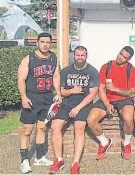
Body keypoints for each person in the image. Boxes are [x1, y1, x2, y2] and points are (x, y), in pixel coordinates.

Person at [49, 46, 99, 174]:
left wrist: (78, 108)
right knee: (55, 126)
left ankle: (76, 163)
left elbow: (92, 94)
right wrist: (71, 91)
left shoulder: (92, 71)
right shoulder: (66, 71)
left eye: (82, 55)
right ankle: (59, 160)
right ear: (74, 56)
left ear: (86, 56)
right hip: (67, 103)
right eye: (78, 55)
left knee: (79, 128)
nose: (80, 58)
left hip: (83, 104)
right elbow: (61, 91)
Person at [17, 32, 61, 174]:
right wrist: (23, 96)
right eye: (42, 41)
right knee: (27, 130)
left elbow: (56, 76)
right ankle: (24, 161)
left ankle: (40, 157)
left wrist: (58, 93)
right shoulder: (28, 59)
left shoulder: (53, 58)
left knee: (42, 128)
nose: (45, 44)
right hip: (31, 98)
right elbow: (21, 79)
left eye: (48, 42)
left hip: (47, 98)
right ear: (37, 43)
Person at [87, 46, 135, 161]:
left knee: (129, 119)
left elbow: (132, 92)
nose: (121, 58)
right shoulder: (107, 66)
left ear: (128, 59)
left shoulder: (131, 69)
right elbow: (101, 88)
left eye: (125, 57)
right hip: (108, 98)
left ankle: (126, 143)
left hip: (124, 99)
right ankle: (105, 142)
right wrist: (107, 104)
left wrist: (116, 89)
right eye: (121, 54)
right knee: (91, 120)